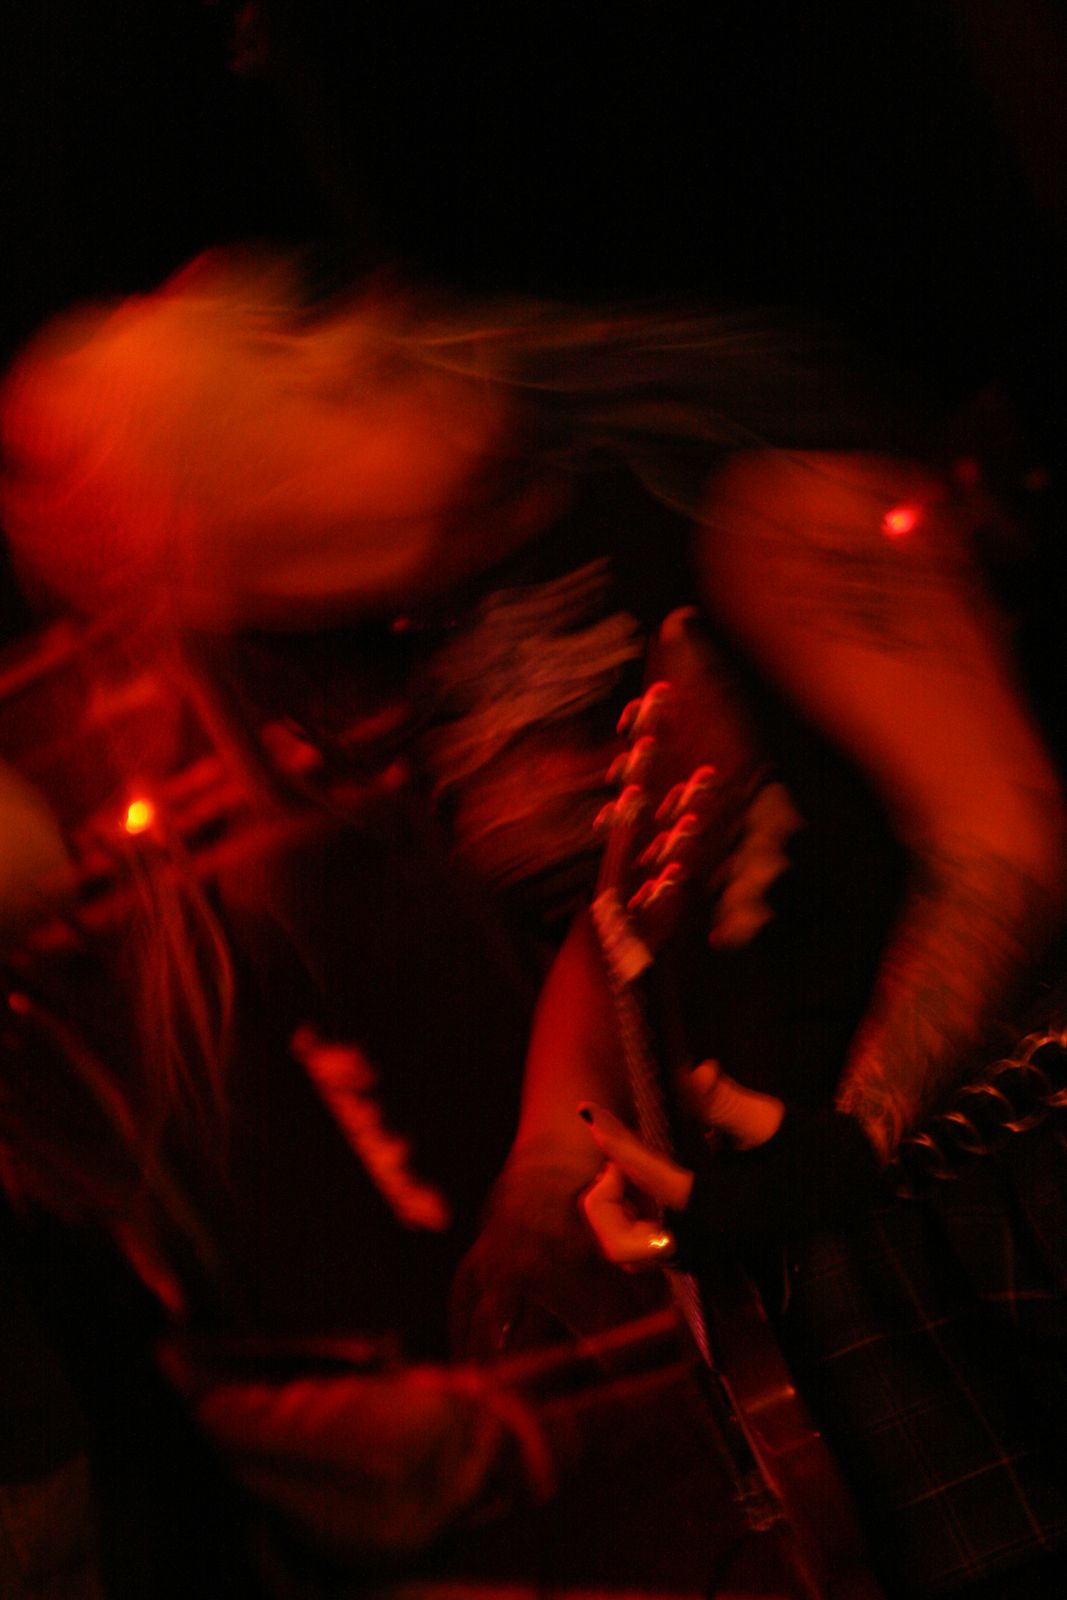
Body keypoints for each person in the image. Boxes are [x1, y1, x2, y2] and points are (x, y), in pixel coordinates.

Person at [1, 250, 1065, 1596]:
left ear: (244, 483)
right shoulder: (448, 619)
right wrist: (543, 1165)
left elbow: (999, 832)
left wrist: (855, 1137)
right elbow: (614, 917)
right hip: (825, 1245)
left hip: (1011, 1172)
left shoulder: (690, 459)